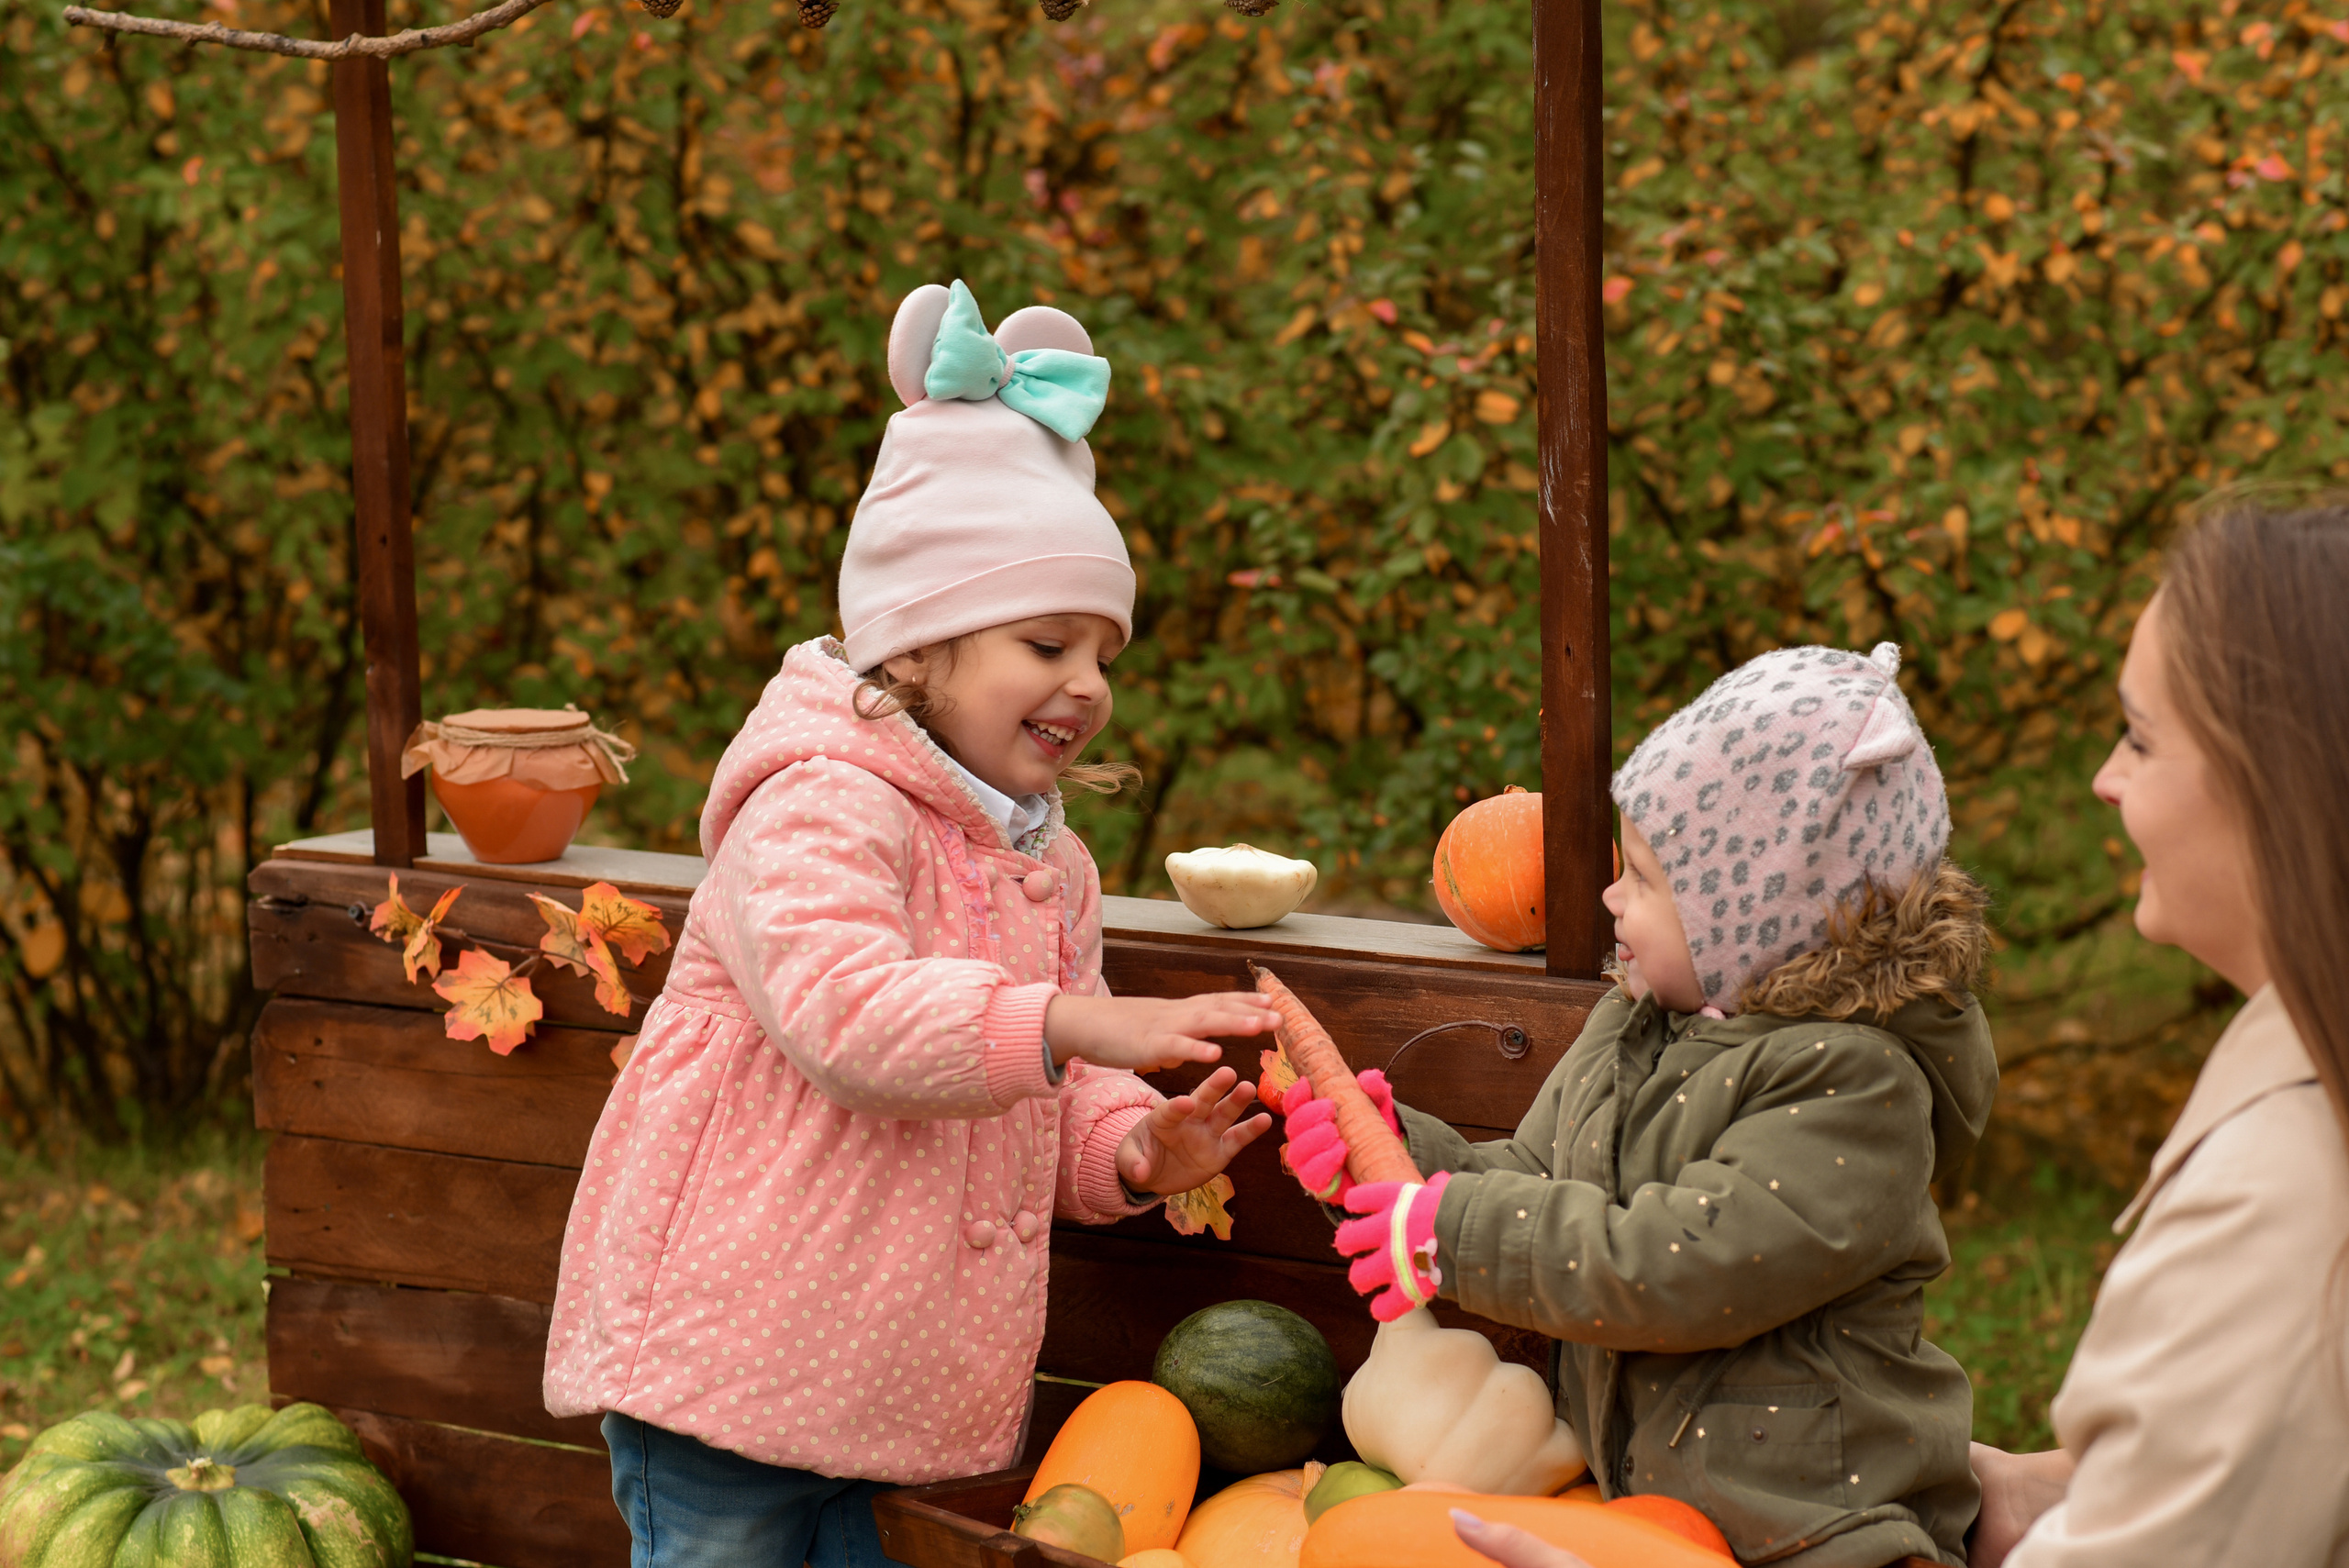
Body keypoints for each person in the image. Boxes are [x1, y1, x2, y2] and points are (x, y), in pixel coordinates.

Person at [540, 279, 1281, 1568]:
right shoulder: (821, 804)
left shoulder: (1055, 866)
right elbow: (854, 1017)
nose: (1089, 686)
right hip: (736, 1361)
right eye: (1048, 642)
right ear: (921, 647)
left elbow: (1047, 1085)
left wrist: (1134, 1147)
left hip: (895, 1395)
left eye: (1106, 654)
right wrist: (1080, 1020)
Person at [1285, 641, 1995, 1568]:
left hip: (1817, 1520)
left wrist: (1443, 1230)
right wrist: (1399, 1158)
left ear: (1763, 915)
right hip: (1645, 1507)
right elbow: (1540, 1178)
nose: (1612, 894)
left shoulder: (1853, 1080)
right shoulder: (1635, 1021)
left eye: (1650, 880)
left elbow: (1680, 1264)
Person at [1967, 498, 2349, 1567]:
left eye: (2140, 734)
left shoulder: (2284, 1197)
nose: (2104, 776)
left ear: (2283, 783)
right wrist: (2041, 1484)